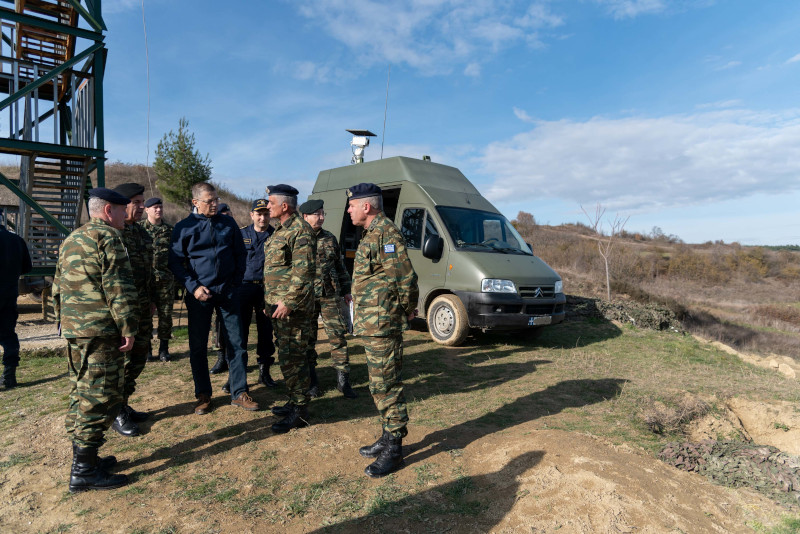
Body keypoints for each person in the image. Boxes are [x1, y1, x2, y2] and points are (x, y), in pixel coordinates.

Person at [52, 187, 136, 492]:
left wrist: (62, 321)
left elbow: (57, 284)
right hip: (100, 330)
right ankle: (84, 470)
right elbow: (117, 286)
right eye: (122, 209)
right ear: (108, 210)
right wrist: (128, 327)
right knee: (99, 395)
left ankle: (85, 458)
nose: (127, 215)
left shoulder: (72, 238)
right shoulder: (109, 237)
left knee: (80, 390)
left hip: (75, 329)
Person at [346, 183, 419, 478]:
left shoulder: (386, 233)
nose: (349, 209)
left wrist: (407, 307)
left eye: (352, 205)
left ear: (367, 206)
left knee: (386, 385)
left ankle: (395, 449)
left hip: (383, 323)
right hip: (373, 322)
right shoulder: (372, 234)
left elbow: (404, 276)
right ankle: (387, 436)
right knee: (379, 384)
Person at [169, 182, 258, 414]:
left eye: (216, 199)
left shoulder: (227, 223)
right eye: (210, 201)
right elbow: (176, 263)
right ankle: (203, 395)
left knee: (237, 344)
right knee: (198, 346)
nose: (215, 204)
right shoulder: (183, 227)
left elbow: (240, 254)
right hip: (200, 295)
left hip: (228, 292)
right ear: (195, 202)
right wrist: (193, 287)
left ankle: (239, 392)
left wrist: (236, 284)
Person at [262, 184, 316, 433]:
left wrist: (288, 302)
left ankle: (300, 411)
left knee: (293, 358)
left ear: (285, 206)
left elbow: (303, 272)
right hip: (278, 308)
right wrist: (270, 302)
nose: (267, 206)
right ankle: (295, 400)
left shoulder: (300, 231)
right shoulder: (280, 231)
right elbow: (275, 272)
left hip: (292, 310)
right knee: (288, 356)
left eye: (270, 202)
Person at [298, 199, 357, 399]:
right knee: (308, 339)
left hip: (330, 295)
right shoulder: (296, 238)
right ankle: (312, 382)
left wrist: (347, 290)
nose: (321, 218)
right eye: (317, 214)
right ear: (305, 216)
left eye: (323, 214)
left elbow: (340, 267)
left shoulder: (330, 238)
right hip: (306, 297)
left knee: (338, 336)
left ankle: (343, 382)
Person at [111, 183, 155, 437]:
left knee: (138, 358)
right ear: (121, 204)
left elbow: (146, 271)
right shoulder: (111, 234)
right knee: (120, 363)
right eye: (136, 202)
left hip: (141, 307)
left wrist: (150, 299)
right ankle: (116, 411)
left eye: (142, 202)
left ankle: (123, 403)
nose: (141, 207)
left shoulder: (140, 233)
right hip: (120, 312)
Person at [233, 199, 277, 388]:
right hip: (243, 288)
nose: (262, 217)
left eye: (266, 213)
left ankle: (264, 372)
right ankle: (237, 376)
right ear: (251, 215)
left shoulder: (276, 236)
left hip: (266, 290)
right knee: (239, 332)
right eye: (258, 214)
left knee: (266, 332)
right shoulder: (241, 234)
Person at [0, 209, 32, 389]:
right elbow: (27, 268)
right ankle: (9, 376)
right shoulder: (17, 240)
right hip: (9, 295)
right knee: (8, 336)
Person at [140, 197, 174, 362]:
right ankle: (147, 349)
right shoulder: (139, 229)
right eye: (154, 207)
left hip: (165, 281)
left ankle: (164, 349)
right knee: (145, 316)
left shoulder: (170, 230)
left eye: (160, 207)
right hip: (145, 281)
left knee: (165, 316)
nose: (158, 210)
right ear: (146, 210)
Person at [209, 203, 233, 374]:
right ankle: (220, 358)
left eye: (227, 214)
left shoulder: (235, 232)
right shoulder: (213, 232)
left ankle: (232, 359)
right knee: (216, 325)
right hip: (214, 287)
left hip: (231, 286)